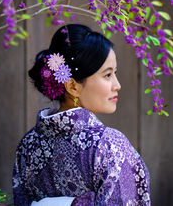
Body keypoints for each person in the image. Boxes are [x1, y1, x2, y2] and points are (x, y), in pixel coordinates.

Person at [12, 24, 151, 205]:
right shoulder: (109, 146)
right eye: (107, 75)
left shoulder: (28, 145)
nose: (117, 85)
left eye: (114, 73)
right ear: (73, 86)